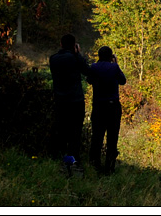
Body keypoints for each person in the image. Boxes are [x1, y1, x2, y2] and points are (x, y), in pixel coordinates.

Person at [49, 34, 90, 175]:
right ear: (74, 45)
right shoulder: (75, 58)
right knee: (75, 133)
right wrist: (78, 54)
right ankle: (73, 162)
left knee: (62, 131)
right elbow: (87, 71)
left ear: (61, 44)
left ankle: (63, 161)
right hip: (75, 101)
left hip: (60, 101)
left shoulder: (53, 59)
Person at [87, 45, 127, 175]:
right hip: (113, 106)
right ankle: (109, 167)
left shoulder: (94, 67)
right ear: (111, 56)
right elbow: (123, 81)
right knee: (112, 136)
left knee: (97, 136)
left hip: (98, 106)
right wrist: (115, 63)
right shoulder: (114, 67)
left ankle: (95, 164)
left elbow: (89, 80)